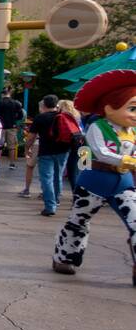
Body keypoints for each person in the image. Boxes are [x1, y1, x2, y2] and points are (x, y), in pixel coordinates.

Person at [51, 69, 136, 286]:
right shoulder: (97, 128)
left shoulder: (131, 131)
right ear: (110, 107)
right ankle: (64, 257)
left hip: (123, 183)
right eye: (132, 108)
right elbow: (100, 153)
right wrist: (127, 161)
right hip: (94, 182)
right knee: (79, 221)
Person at [24, 95, 73, 217]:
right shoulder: (64, 116)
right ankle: (56, 200)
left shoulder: (40, 118)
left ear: (44, 105)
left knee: (46, 178)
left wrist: (27, 148)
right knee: (58, 176)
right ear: (57, 104)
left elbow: (31, 137)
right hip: (63, 150)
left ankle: (50, 206)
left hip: (46, 151)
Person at [0, 86, 24, 177]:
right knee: (12, 146)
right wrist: (15, 120)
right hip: (12, 126)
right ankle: (11, 163)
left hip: (1, 127)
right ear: (9, 94)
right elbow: (21, 115)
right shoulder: (16, 103)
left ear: (2, 95)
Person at [58, 98, 84, 192]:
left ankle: (76, 195)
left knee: (72, 173)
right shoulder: (80, 117)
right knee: (85, 171)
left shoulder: (63, 118)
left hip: (72, 147)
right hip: (85, 146)